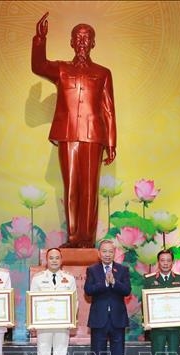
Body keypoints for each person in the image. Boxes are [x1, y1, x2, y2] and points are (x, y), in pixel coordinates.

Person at [31, 12, 117, 248]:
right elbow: (38, 65)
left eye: (86, 38)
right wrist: (40, 40)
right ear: (71, 42)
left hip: (93, 136)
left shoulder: (103, 73)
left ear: (93, 43)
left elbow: (109, 109)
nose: (82, 42)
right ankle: (72, 237)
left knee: (89, 189)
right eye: (77, 38)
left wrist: (111, 142)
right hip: (67, 134)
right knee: (71, 187)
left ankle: (87, 239)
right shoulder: (61, 69)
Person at [29, 248, 78, 355]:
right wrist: (33, 321)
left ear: (61, 260)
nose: (54, 260)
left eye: (57, 258)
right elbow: (32, 301)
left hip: (62, 324)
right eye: (51, 258)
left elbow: (75, 301)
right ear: (46, 260)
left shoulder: (69, 278)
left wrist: (71, 319)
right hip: (44, 325)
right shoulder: (37, 279)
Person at [84, 239, 131, 355]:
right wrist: (104, 283)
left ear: (115, 253)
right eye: (104, 251)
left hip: (118, 319)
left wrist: (114, 283)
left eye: (110, 251)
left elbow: (127, 290)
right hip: (99, 319)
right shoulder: (92, 270)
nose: (107, 254)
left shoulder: (122, 270)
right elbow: (88, 290)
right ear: (99, 253)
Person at [143, 249, 180, 355]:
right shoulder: (149, 280)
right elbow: (145, 302)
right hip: (157, 326)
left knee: (173, 354)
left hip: (175, 326)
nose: (165, 263)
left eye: (168, 260)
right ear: (158, 262)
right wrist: (147, 320)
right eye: (162, 260)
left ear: (172, 262)